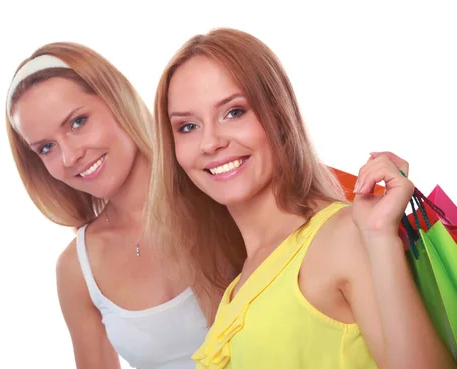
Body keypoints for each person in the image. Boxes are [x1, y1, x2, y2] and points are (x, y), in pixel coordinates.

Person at [148, 28, 456, 369]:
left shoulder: (343, 236)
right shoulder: (241, 279)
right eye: (187, 127)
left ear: (279, 116)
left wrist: (378, 237)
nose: (210, 143)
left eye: (234, 112)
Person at [4, 42, 220, 369]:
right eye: (46, 147)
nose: (69, 156)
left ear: (117, 99)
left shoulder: (221, 188)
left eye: (77, 122)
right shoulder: (78, 268)